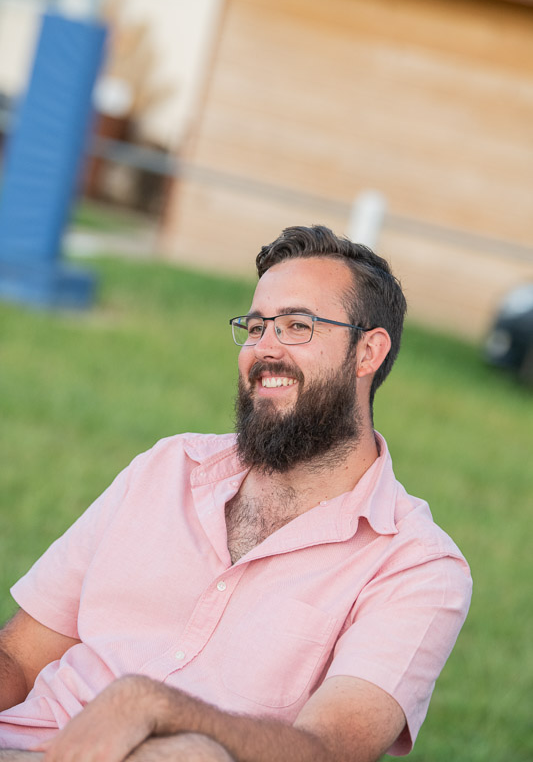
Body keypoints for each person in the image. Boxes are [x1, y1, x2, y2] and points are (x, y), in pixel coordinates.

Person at [0, 225, 472, 762]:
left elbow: (329, 750)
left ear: (368, 352)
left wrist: (155, 707)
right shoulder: (168, 467)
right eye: (255, 327)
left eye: (297, 326)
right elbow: (19, 657)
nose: (264, 350)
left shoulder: (416, 567)